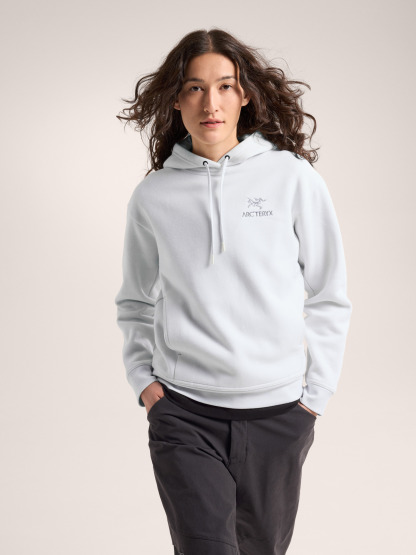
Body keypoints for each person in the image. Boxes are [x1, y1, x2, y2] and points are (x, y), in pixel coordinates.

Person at [114, 28, 353, 555]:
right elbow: (135, 300)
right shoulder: (153, 196)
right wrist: (142, 380)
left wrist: (315, 396)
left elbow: (329, 292)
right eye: (195, 88)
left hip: (278, 414)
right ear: (176, 99)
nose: (211, 104)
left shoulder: (292, 178)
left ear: (245, 94)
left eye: (225, 86)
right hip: (184, 413)